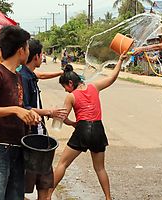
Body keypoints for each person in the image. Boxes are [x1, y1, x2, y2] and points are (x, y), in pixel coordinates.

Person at [48, 52, 128, 200]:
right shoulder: (94, 86)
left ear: (70, 83)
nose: (65, 90)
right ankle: (108, 198)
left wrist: (71, 123)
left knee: (63, 164)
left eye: (65, 86)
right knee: (100, 168)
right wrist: (120, 61)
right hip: (98, 129)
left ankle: (47, 196)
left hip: (82, 130)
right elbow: (112, 78)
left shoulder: (71, 96)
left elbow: (62, 117)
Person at [0, 25, 41, 200]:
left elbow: (17, 106)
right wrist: (15, 110)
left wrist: (29, 114)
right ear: (21, 50)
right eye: (27, 47)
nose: (28, 51)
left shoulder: (17, 76)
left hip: (18, 145)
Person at [19, 39, 67, 200]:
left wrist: (61, 73)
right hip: (30, 140)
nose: (42, 57)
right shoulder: (23, 78)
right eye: (42, 54)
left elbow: (43, 75)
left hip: (39, 135)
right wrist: (49, 112)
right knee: (24, 186)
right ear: (36, 57)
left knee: (45, 185)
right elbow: (24, 107)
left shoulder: (30, 75)